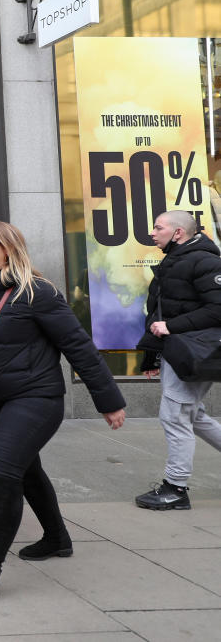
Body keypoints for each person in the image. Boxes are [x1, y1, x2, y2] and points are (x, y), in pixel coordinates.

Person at [0, 221, 126, 596]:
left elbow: (78, 346)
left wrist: (108, 400)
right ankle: (57, 537)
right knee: (25, 471)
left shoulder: (38, 292)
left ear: (9, 247)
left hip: (36, 398)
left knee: (1, 468)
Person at [134, 210, 221, 511]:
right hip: (178, 352)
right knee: (192, 415)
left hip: (195, 353)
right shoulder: (175, 259)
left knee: (175, 417)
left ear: (178, 233)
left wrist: (172, 327)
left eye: (158, 227)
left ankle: (175, 489)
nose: (152, 233)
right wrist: (152, 358)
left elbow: (218, 309)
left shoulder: (205, 261)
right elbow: (159, 312)